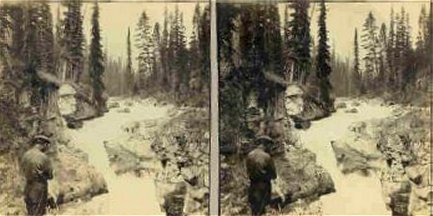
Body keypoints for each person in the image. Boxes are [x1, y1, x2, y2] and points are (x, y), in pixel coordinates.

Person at [21, 135, 54, 216]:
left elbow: (22, 170)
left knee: (30, 212)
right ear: (44, 144)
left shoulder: (25, 155)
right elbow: (50, 176)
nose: (47, 148)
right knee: (38, 213)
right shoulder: (44, 157)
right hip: (39, 188)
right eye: (47, 146)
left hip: (27, 187)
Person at [245, 135, 277, 216]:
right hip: (263, 187)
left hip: (252, 186)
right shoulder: (267, 157)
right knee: (262, 210)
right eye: (269, 145)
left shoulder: (249, 155)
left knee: (254, 210)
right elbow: (273, 175)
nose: (270, 148)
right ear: (266, 144)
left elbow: (248, 171)